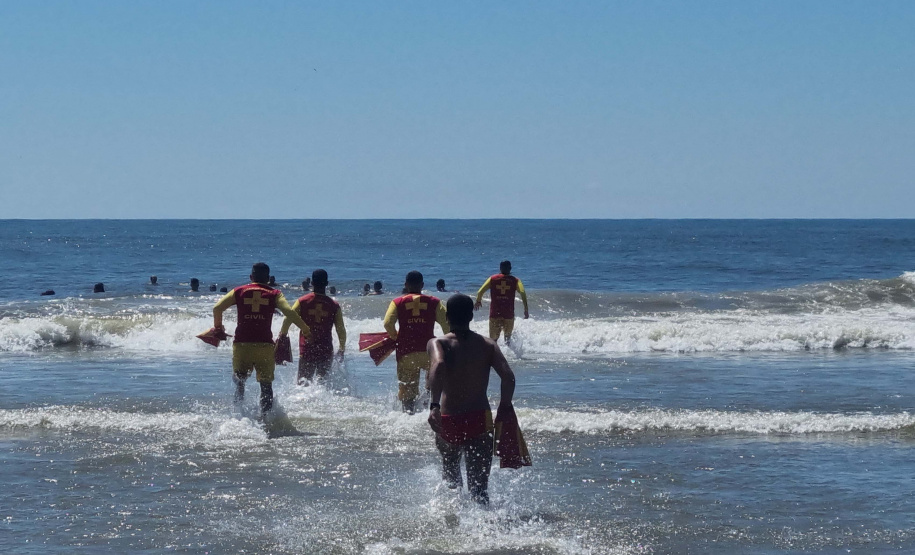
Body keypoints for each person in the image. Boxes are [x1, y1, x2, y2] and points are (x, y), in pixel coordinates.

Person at [427, 294, 516, 505]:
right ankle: (484, 528)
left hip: (449, 417)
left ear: (447, 317)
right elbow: (508, 377)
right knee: (479, 488)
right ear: (471, 316)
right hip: (480, 418)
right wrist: (504, 406)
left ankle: (454, 524)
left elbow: (438, 367)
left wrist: (434, 405)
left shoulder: (438, 342)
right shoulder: (488, 344)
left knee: (451, 477)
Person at [212, 262, 311, 415]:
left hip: (242, 345)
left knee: (240, 382)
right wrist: (305, 329)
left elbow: (217, 308)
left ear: (251, 277)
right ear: (268, 278)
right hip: (264, 346)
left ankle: (238, 415)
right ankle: (267, 419)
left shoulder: (239, 291)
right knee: (266, 386)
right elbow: (289, 312)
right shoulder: (275, 293)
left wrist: (218, 328)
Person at [383, 271, 449, 413]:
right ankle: (428, 408)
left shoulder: (397, 302)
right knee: (433, 384)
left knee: (407, 393)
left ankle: (409, 415)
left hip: (406, 353)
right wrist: (448, 344)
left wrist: (395, 337)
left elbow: (388, 323)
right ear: (422, 285)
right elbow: (447, 326)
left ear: (406, 285)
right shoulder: (434, 302)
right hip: (429, 353)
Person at [279, 269, 346, 385]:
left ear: (312, 283)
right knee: (323, 385)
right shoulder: (334, 305)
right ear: (327, 283)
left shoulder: (302, 301)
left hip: (307, 348)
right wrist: (341, 348)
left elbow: (288, 319)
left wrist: (283, 335)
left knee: (302, 384)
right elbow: (341, 329)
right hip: (325, 349)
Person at [474, 260, 529, 345]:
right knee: (507, 340)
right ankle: (509, 357)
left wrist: (478, 301)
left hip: (495, 313)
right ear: (510, 268)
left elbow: (480, 291)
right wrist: (526, 309)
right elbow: (522, 293)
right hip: (508, 314)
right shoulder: (516, 280)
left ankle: (493, 357)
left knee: (493, 341)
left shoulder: (492, 279)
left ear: (500, 268)